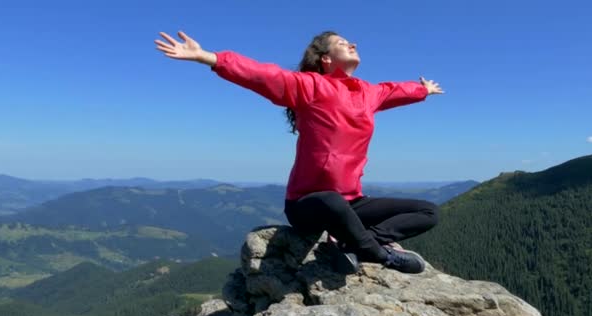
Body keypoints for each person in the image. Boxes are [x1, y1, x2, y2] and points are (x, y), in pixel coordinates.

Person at [155, 30, 443, 274]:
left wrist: (422, 90)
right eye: (343, 43)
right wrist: (209, 57)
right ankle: (380, 255)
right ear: (326, 59)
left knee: (428, 211)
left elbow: (394, 90)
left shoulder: (368, 93)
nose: (352, 44)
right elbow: (262, 75)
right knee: (331, 201)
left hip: (352, 201)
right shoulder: (310, 86)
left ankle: (357, 242)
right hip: (307, 204)